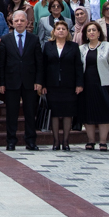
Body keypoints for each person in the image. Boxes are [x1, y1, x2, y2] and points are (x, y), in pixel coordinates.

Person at [0, 9, 41, 151]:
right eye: (17, 21)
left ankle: (31, 141)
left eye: (22, 20)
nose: (20, 23)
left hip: (30, 82)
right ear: (12, 23)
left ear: (27, 22)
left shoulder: (34, 39)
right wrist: (1, 83)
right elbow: (1, 63)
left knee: (29, 112)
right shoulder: (5, 40)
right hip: (11, 82)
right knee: (12, 113)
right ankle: (11, 141)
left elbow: (39, 63)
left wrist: (39, 81)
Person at [40, 21, 84, 150]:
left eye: (63, 29)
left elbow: (78, 66)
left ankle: (65, 141)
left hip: (69, 85)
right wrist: (42, 84)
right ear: (54, 31)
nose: (61, 31)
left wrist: (79, 84)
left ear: (67, 32)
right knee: (54, 113)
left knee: (67, 113)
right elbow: (43, 66)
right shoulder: (48, 46)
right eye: (58, 28)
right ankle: (55, 141)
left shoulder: (74, 46)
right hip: (52, 85)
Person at [79, 21, 109, 151]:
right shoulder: (82, 48)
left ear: (99, 32)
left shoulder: (108, 46)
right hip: (87, 85)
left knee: (103, 113)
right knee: (88, 113)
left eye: (94, 30)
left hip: (103, 84)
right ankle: (91, 140)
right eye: (89, 31)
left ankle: (103, 141)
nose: (91, 32)